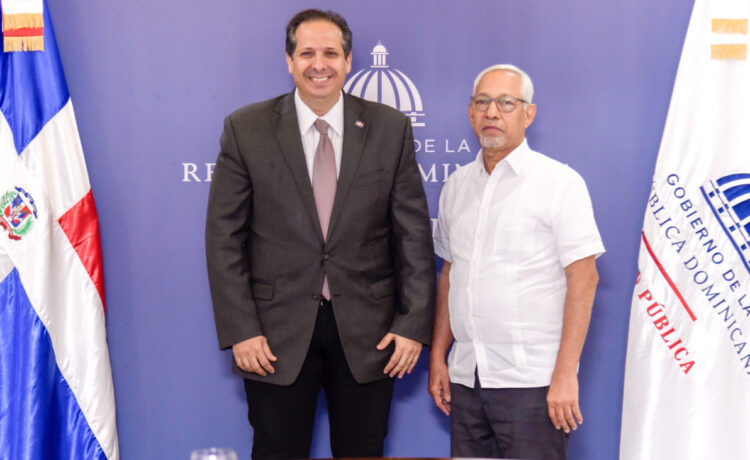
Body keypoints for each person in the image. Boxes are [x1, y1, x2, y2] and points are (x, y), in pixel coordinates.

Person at [205, 8, 435, 460]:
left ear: (348, 61)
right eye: (307, 53)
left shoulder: (390, 129)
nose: (319, 64)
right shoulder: (246, 128)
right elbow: (224, 239)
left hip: (371, 335)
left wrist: (412, 326)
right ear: (289, 61)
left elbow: (412, 236)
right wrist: (241, 330)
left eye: (330, 53)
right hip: (273, 336)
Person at [428, 64, 605, 460]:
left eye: (507, 103)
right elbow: (451, 274)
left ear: (529, 113)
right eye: (483, 102)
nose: (492, 112)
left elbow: (584, 279)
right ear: (470, 112)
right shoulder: (456, 186)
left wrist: (565, 375)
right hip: (467, 379)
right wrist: (439, 357)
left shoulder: (559, 183)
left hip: (533, 384)